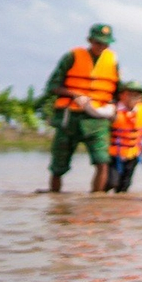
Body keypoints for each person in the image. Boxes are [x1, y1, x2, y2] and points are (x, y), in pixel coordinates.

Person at [39, 22, 118, 194]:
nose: (102, 46)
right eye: (98, 42)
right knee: (58, 165)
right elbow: (53, 86)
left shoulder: (112, 60)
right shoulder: (72, 56)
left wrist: (114, 108)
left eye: (105, 43)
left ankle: (95, 202)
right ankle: (55, 200)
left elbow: (117, 91)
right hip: (70, 118)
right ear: (90, 40)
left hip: (97, 119)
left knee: (102, 161)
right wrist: (74, 94)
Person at [105, 82, 142, 192]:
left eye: (137, 95)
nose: (134, 98)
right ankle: (101, 202)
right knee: (111, 182)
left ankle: (121, 207)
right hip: (113, 154)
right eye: (130, 94)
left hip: (133, 154)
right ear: (122, 95)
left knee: (125, 185)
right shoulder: (113, 109)